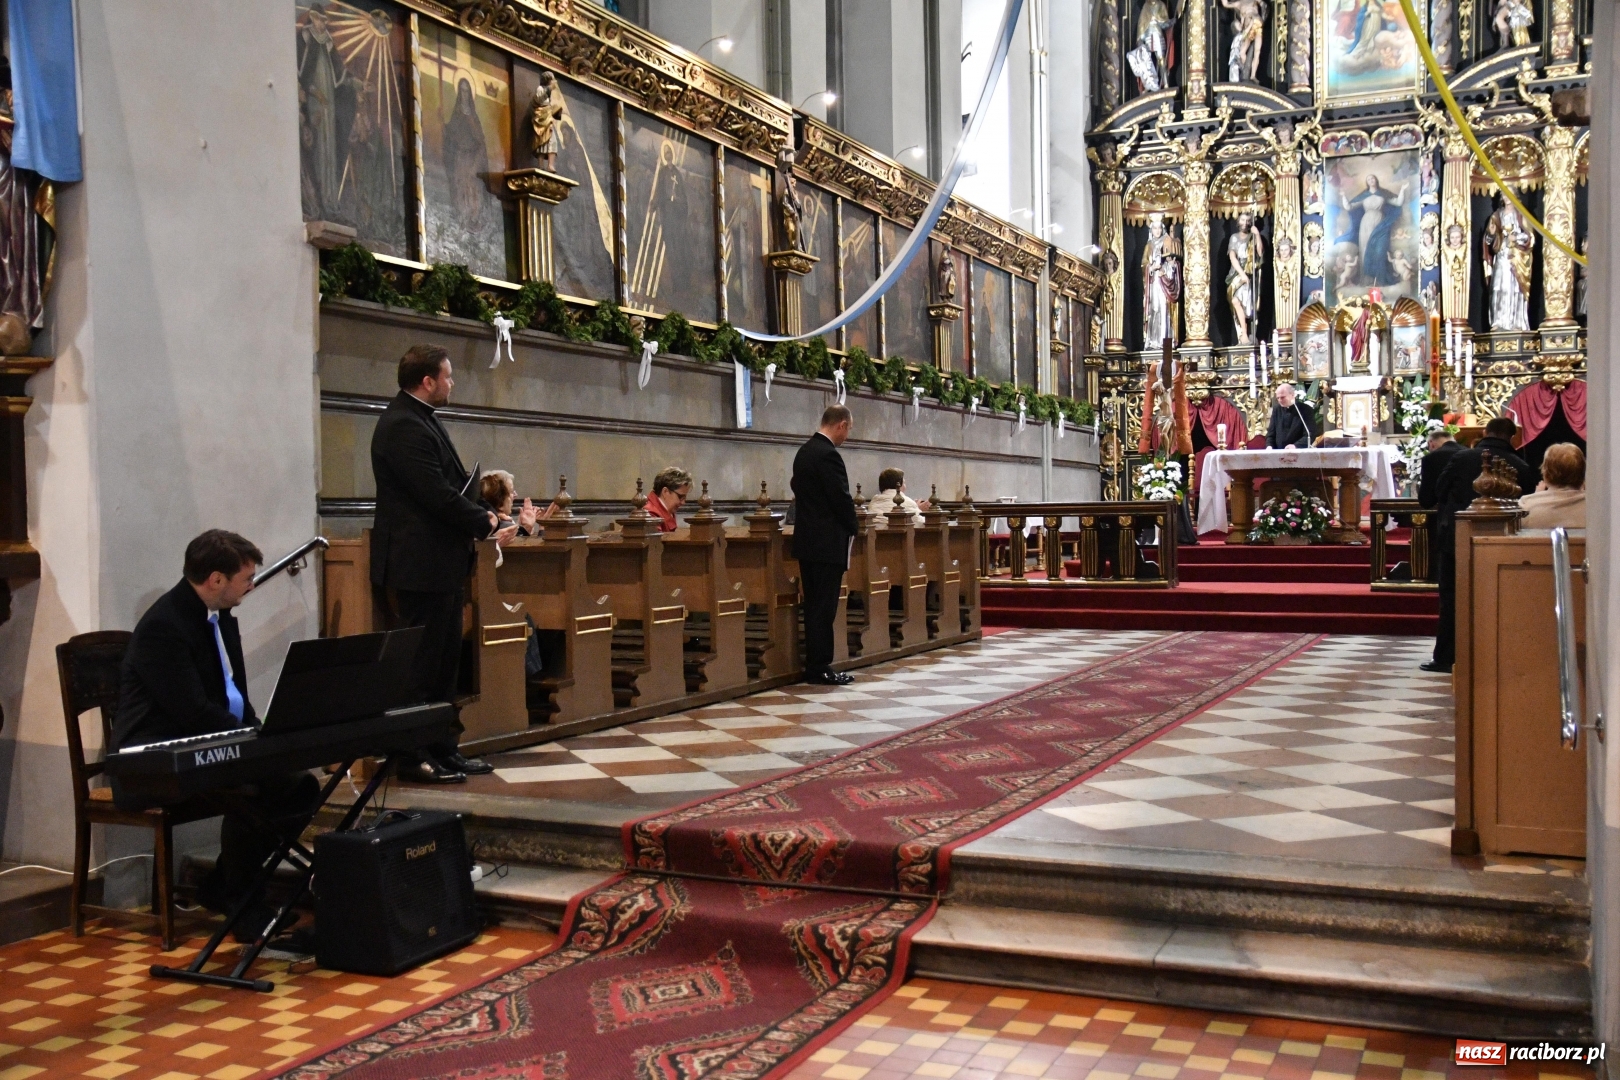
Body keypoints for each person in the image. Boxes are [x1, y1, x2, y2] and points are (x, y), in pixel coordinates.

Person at [113, 530, 321, 944]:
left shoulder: (218, 616)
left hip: (210, 742)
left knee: (300, 788)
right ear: (215, 579)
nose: (252, 584)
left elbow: (233, 695)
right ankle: (242, 904)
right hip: (154, 760)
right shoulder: (163, 626)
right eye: (245, 577)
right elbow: (189, 711)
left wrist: (264, 729)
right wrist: (253, 738)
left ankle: (226, 888)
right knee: (252, 791)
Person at [371, 344, 513, 783]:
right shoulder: (402, 425)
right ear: (427, 380)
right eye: (448, 377)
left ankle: (443, 747)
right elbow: (432, 491)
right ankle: (411, 756)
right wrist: (482, 519)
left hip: (440, 562)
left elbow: (449, 485)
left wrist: (487, 514)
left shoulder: (420, 421)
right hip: (420, 564)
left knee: (443, 663)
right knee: (422, 665)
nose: (452, 384)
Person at [1424, 416, 1538, 672]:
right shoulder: (1519, 465)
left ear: (1485, 431)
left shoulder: (1461, 458)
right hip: (1502, 543)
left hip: (1454, 537)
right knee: (1494, 598)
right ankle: (1491, 656)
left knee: (1451, 597)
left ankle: (1445, 657)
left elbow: (1438, 491)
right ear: (1512, 437)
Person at [792, 404, 859, 686]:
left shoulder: (804, 452)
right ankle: (819, 666)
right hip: (827, 542)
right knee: (824, 607)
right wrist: (854, 526)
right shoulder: (829, 455)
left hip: (807, 540)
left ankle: (816, 664)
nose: (846, 437)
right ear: (841, 424)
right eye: (848, 430)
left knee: (814, 605)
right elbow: (840, 498)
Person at [1519, 443, 1586, 529]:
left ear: (1546, 474)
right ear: (1582, 473)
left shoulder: (1526, 506)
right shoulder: (1597, 508)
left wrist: (1536, 496)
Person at [1416, 423, 1462, 509]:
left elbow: (1426, 499)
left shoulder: (1431, 458)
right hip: (1473, 511)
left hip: (1446, 512)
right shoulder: (1471, 453)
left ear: (1431, 444)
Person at [1265, 382, 1318, 449]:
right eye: (1278, 398)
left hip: (1298, 453)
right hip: (1278, 452)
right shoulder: (1277, 409)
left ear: (1292, 395)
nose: (1280, 400)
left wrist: (1296, 446)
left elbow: (1310, 434)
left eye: (1282, 397)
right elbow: (1271, 433)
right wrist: (1269, 445)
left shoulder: (1305, 409)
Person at [646, 467, 693, 532]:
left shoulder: (668, 509)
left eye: (684, 498)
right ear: (665, 492)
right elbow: (656, 541)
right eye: (680, 497)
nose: (683, 502)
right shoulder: (650, 515)